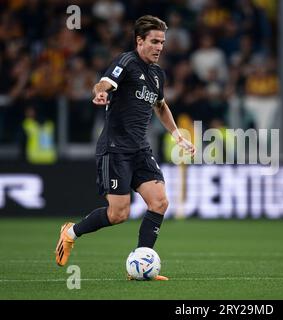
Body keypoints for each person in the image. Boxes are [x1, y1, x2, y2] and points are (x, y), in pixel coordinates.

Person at [54, 15, 196, 281]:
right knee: (119, 214)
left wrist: (177, 134)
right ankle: (71, 232)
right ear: (139, 40)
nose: (159, 47)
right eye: (154, 41)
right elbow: (105, 82)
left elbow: (161, 105)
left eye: (162, 42)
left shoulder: (157, 74)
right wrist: (101, 92)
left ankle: (141, 265)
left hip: (140, 149)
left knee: (160, 202)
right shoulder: (127, 62)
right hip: (115, 148)